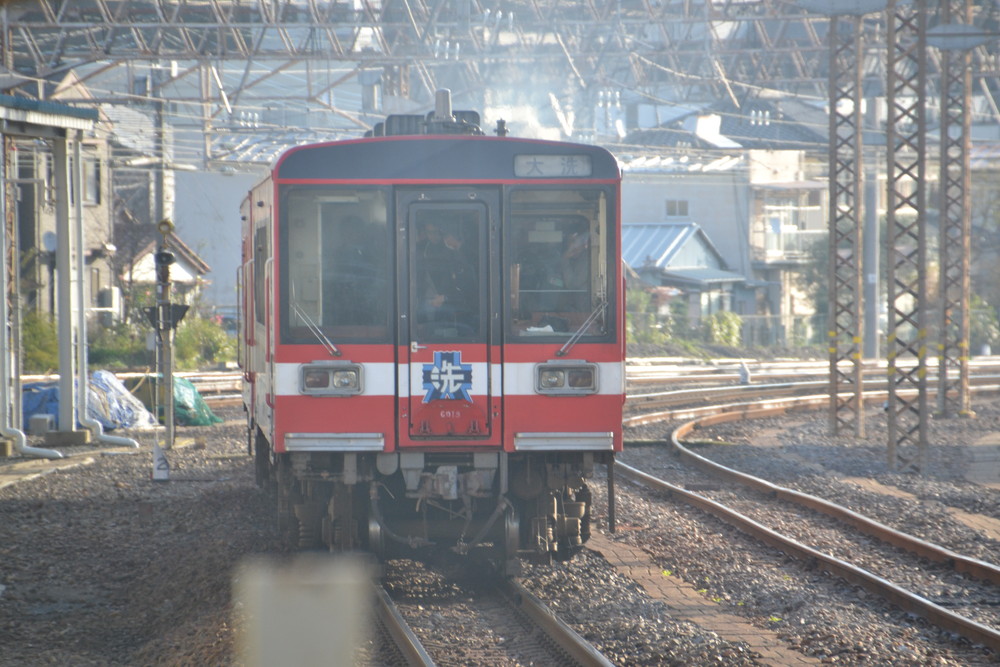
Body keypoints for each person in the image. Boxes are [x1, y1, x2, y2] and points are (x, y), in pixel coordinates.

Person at [417, 223, 477, 334]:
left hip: (462, 309)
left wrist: (445, 298)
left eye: (444, 236)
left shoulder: (464, 256)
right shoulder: (423, 249)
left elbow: (469, 290)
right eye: (429, 232)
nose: (434, 236)